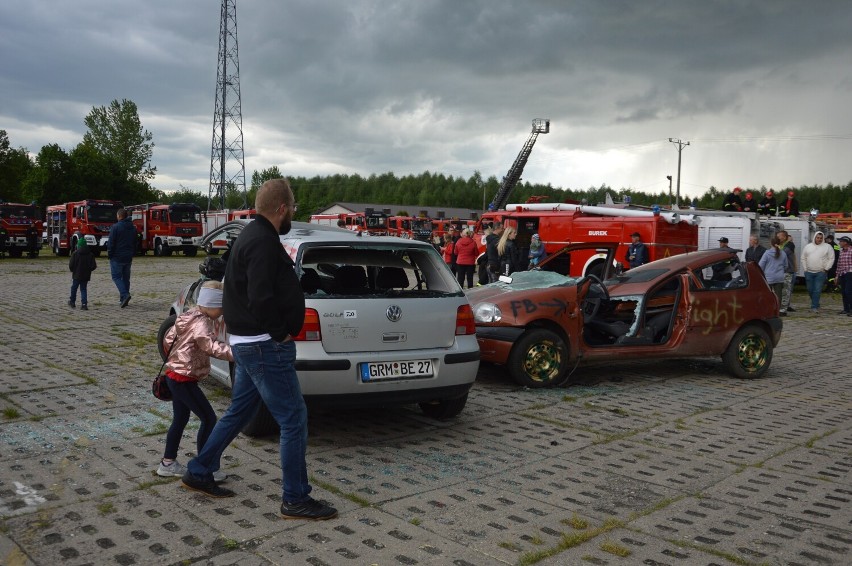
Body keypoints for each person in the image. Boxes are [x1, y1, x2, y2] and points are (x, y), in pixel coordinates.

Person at [182, 178, 338, 520]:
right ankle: (295, 498)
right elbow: (261, 296)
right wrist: (280, 333)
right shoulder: (264, 242)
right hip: (264, 345)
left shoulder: (251, 237)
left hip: (249, 343)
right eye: (293, 207)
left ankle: (199, 469)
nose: (294, 212)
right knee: (293, 419)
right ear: (281, 208)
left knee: (238, 412)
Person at [158, 281, 233, 480]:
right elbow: (210, 346)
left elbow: (167, 339)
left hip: (175, 375)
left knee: (180, 419)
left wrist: (177, 359)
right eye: (222, 307)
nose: (223, 312)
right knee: (209, 419)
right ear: (211, 305)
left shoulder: (187, 316)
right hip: (184, 380)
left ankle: (167, 463)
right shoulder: (202, 322)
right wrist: (238, 353)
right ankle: (205, 465)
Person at [107, 208, 137, 308]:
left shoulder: (115, 227)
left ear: (119, 216)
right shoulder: (132, 227)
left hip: (117, 256)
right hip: (128, 256)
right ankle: (123, 300)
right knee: (126, 278)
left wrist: (110, 254)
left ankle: (125, 294)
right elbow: (135, 241)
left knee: (116, 277)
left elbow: (111, 243)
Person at [800, 231, 835, 314]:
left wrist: (827, 268)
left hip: (821, 272)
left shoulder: (828, 247)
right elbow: (803, 258)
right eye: (817, 237)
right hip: (809, 272)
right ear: (814, 237)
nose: (819, 239)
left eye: (821, 238)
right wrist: (805, 269)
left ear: (823, 238)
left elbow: (831, 258)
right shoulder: (808, 246)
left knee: (817, 290)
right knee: (810, 289)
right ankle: (816, 304)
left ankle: (814, 307)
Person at [758, 236, 788, 312]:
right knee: (778, 295)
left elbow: (761, 265)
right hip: (779, 277)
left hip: (768, 277)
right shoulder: (783, 253)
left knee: (767, 294)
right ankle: (777, 310)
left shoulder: (767, 253)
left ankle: (768, 310)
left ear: (771, 243)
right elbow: (786, 266)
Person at [68, 238, 96, 310]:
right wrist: (89, 270)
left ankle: (72, 302)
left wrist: (73, 270)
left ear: (78, 245)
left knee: (74, 288)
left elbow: (71, 265)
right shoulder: (90, 254)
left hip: (76, 275)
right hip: (86, 275)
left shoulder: (75, 254)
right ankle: (84, 304)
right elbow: (93, 266)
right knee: (83, 289)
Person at [777, 230, 797, 314]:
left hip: (787, 271)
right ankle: (778, 307)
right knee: (779, 291)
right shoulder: (779, 245)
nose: (777, 238)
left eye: (779, 237)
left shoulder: (790, 245)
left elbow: (782, 253)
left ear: (784, 237)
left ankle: (783, 309)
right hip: (779, 271)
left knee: (786, 290)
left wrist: (776, 248)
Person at [836, 236, 852, 316]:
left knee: (848, 291)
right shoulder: (841, 251)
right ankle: (846, 309)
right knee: (843, 292)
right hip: (842, 273)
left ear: (845, 242)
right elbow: (839, 264)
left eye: (841, 241)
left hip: (850, 273)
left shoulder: (851, 250)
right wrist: (837, 275)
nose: (839, 243)